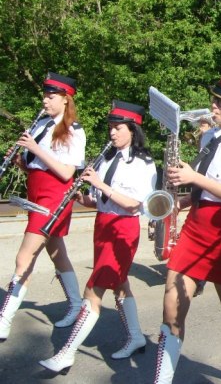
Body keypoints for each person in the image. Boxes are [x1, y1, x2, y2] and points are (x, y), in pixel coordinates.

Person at [153, 69, 221, 384]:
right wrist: (185, 200)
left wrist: (194, 178)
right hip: (196, 224)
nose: (213, 107)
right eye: (214, 100)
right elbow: (207, 187)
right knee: (171, 304)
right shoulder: (208, 135)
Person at [39, 100, 157, 373]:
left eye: (118, 128)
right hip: (102, 224)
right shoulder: (107, 157)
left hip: (123, 229)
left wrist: (99, 184)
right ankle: (136, 336)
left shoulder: (144, 163)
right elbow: (102, 199)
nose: (112, 133)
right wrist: (84, 197)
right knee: (120, 284)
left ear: (133, 129)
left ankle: (66, 352)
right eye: (111, 128)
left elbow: (133, 204)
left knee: (93, 291)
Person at [0, 73, 86, 342]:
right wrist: (20, 161)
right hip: (36, 191)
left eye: (51, 96)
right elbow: (37, 166)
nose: (45, 100)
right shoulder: (43, 125)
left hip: (54, 195)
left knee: (24, 257)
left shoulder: (74, 130)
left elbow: (65, 172)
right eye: (45, 95)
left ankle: (5, 319)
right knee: (56, 251)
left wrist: (35, 149)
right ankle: (75, 304)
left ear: (65, 99)